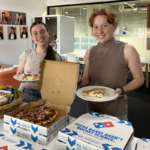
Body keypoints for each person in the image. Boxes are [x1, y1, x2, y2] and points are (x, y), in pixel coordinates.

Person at [78, 9, 144, 121]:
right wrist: (78, 80)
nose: (100, 31)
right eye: (95, 27)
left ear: (114, 26)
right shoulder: (90, 52)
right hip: (92, 109)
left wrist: (122, 90)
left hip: (116, 112)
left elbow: (139, 78)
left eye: (104, 26)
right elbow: (85, 80)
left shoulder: (127, 49)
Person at [17, 21, 62, 103]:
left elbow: (58, 80)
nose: (40, 35)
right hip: (25, 93)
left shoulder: (56, 57)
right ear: (32, 37)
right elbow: (19, 74)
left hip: (46, 94)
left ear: (48, 33)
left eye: (42, 32)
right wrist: (23, 77)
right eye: (35, 33)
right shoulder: (26, 54)